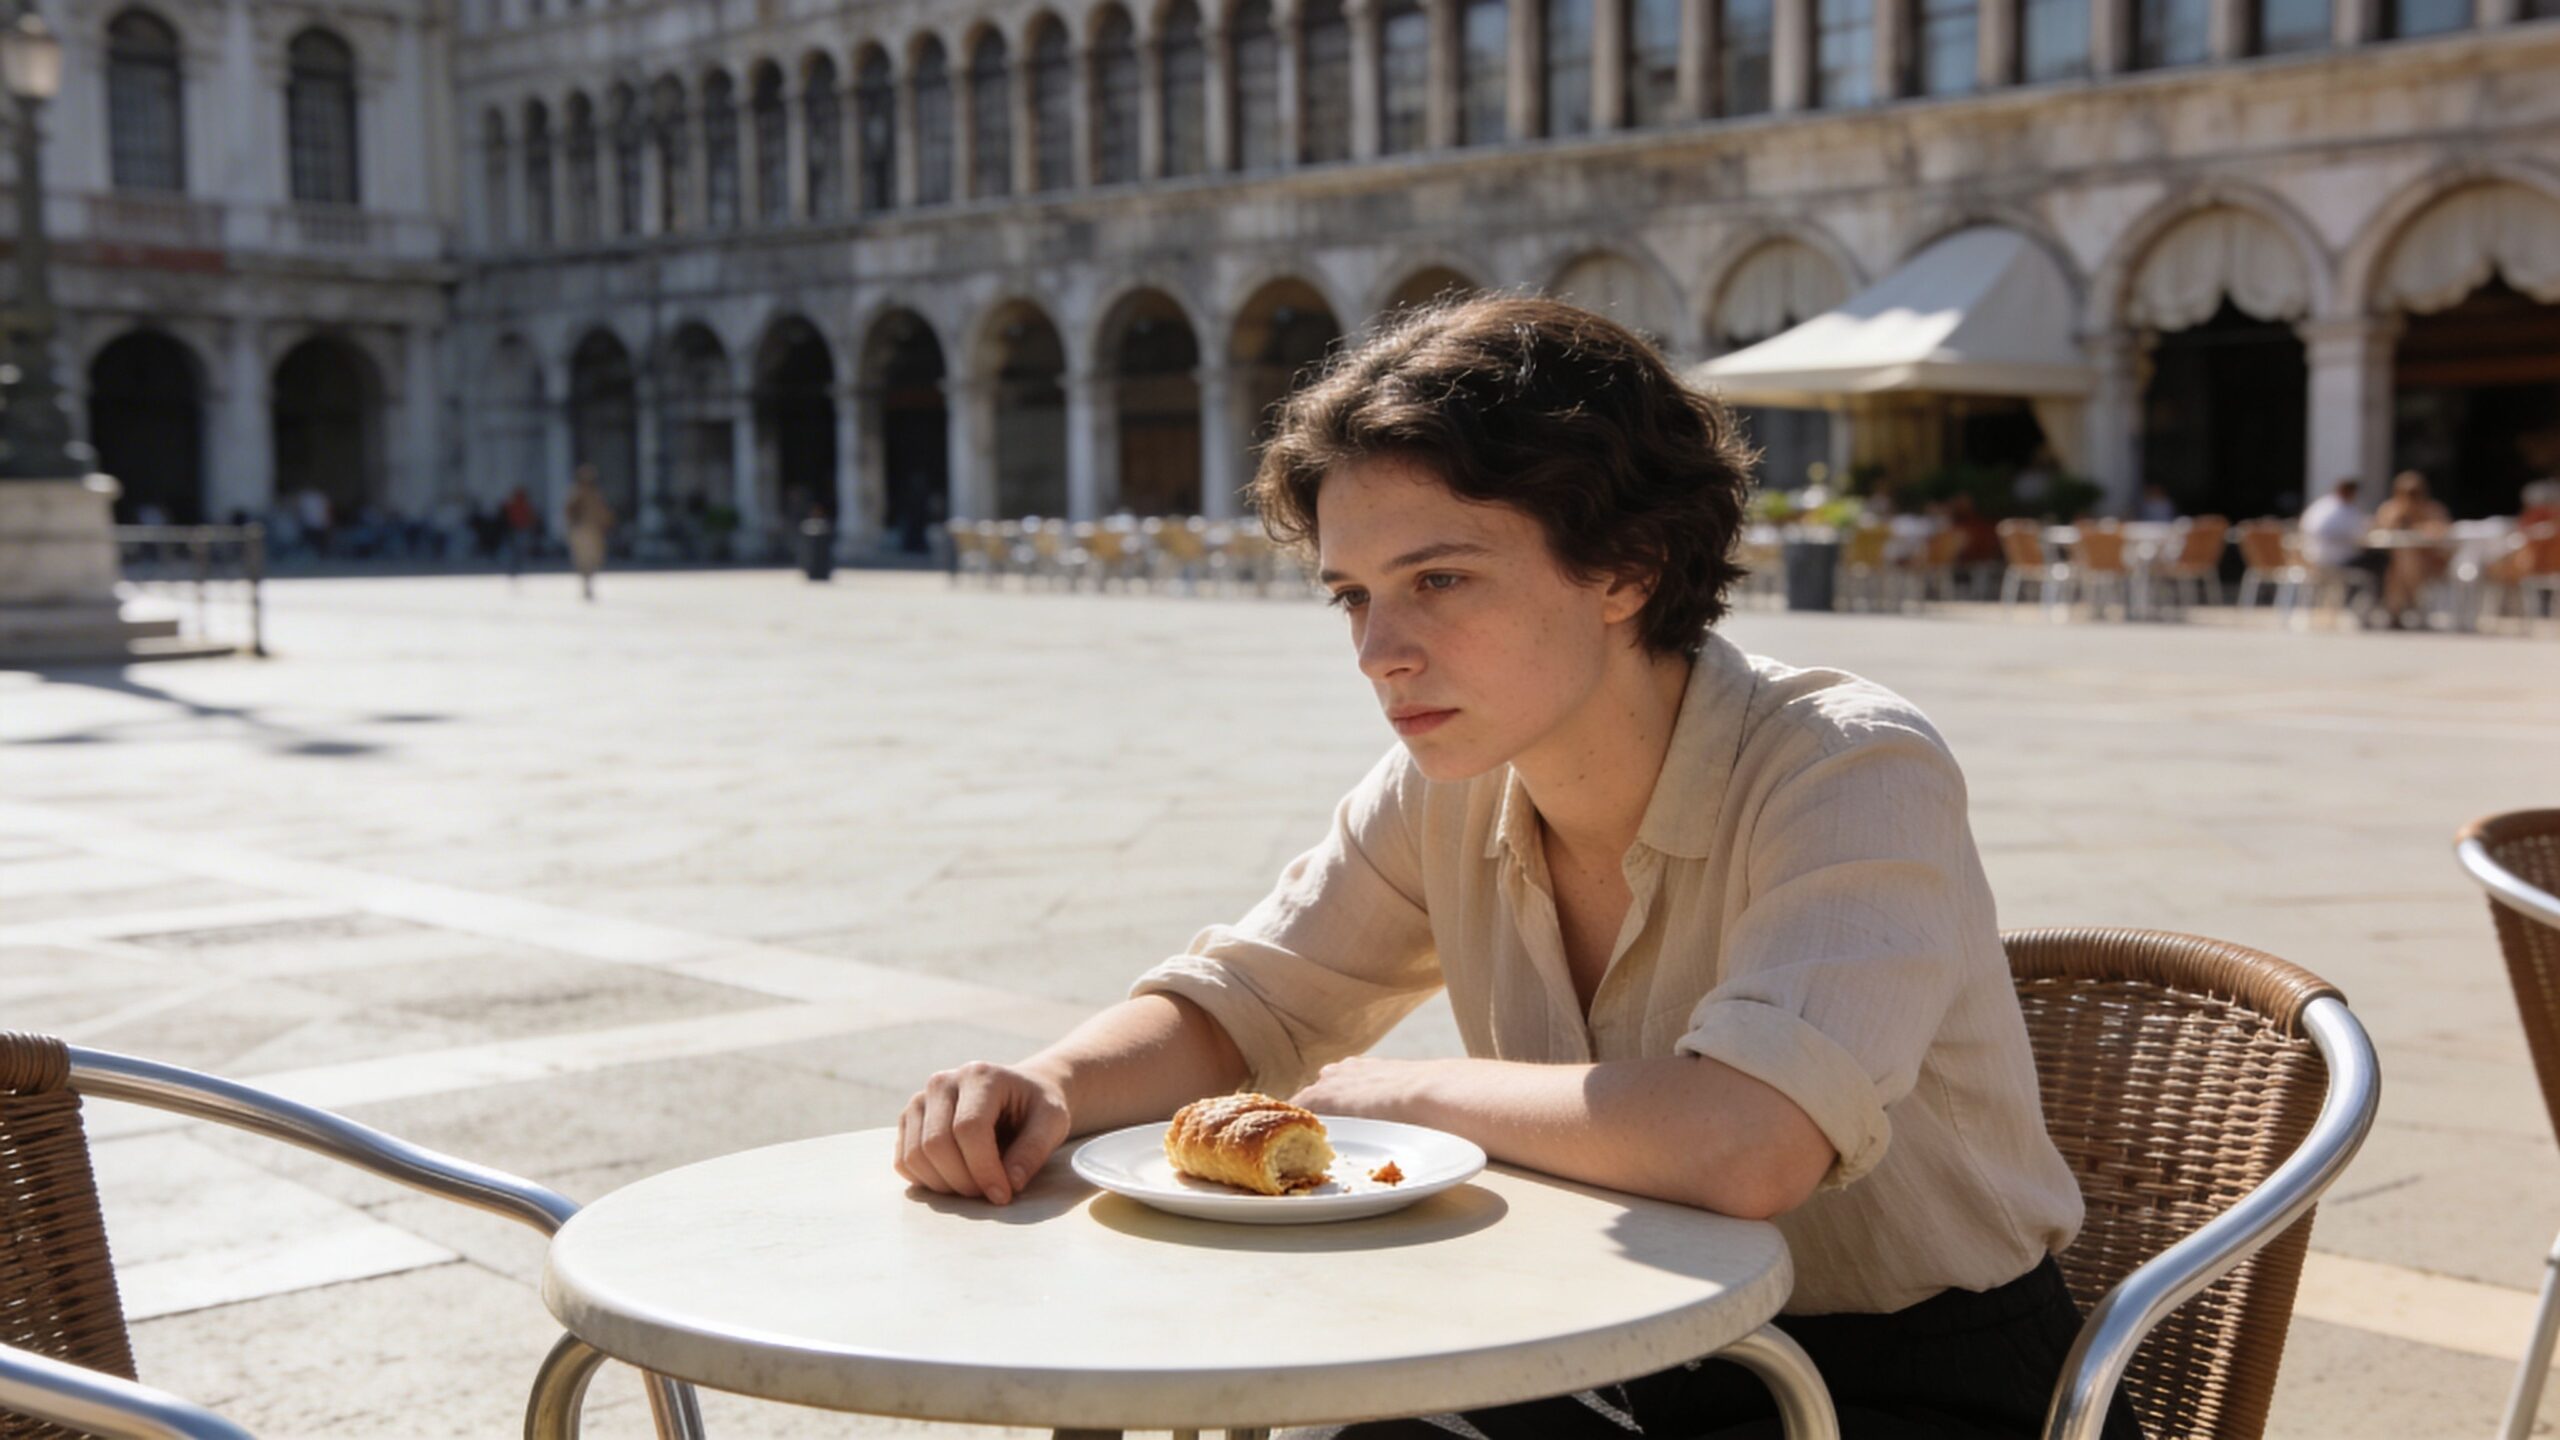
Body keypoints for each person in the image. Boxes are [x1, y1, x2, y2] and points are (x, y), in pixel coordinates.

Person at [892, 297, 2138, 1440]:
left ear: (1625, 567)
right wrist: (1044, 1086)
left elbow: (1751, 1143)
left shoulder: (1850, 769)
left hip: (1913, 1392)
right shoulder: (1455, 780)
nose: (1381, 652)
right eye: (1352, 597)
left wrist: (1410, 1096)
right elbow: (1250, 1003)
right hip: (1628, 1352)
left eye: (1438, 580)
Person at [2372, 470, 2451, 629]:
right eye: (2406, 493)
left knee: (2406, 562)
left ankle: (2399, 608)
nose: (2411, 498)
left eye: (2415, 493)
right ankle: (2408, 606)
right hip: (2392, 563)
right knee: (2403, 561)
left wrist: (2419, 520)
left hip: (2431, 563)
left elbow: (2442, 533)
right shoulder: (2390, 509)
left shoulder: (2433, 510)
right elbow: (2380, 531)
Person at [563, 466, 615, 601]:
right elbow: (569, 512)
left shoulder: (596, 495)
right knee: (583, 560)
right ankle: (587, 584)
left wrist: (607, 523)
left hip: (593, 531)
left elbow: (603, 512)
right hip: (582, 530)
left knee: (593, 559)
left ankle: (588, 582)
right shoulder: (576, 495)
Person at [502, 486, 540, 578]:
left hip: (520, 528)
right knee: (519, 547)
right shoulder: (521, 505)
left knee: (519, 547)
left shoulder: (518, 505)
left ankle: (518, 564)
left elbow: (510, 516)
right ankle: (518, 564)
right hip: (519, 528)